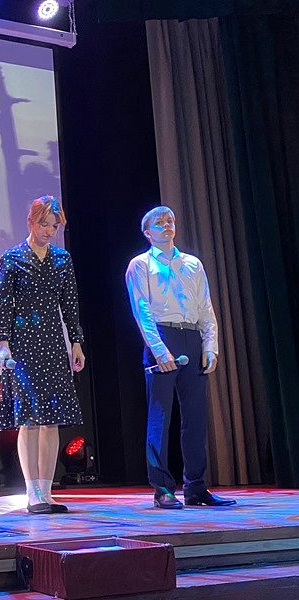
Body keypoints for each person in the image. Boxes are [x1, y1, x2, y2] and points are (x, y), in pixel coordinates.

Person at [125, 206, 236, 509]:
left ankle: (196, 487)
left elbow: (205, 307)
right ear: (147, 233)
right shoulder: (140, 265)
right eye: (159, 222)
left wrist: (210, 345)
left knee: (196, 418)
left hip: (191, 336)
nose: (166, 225)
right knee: (160, 417)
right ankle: (162, 487)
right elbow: (142, 310)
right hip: (162, 335)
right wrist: (159, 349)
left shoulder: (192, 264)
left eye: (170, 220)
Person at [0, 195, 86, 514]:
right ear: (31, 222)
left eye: (54, 226)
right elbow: (3, 302)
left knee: (52, 419)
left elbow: (70, 303)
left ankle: (47, 491)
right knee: (30, 419)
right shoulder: (12, 257)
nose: (49, 231)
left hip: (52, 342)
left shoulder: (62, 259)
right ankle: (32, 492)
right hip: (23, 344)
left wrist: (76, 342)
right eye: (44, 224)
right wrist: (3, 342)